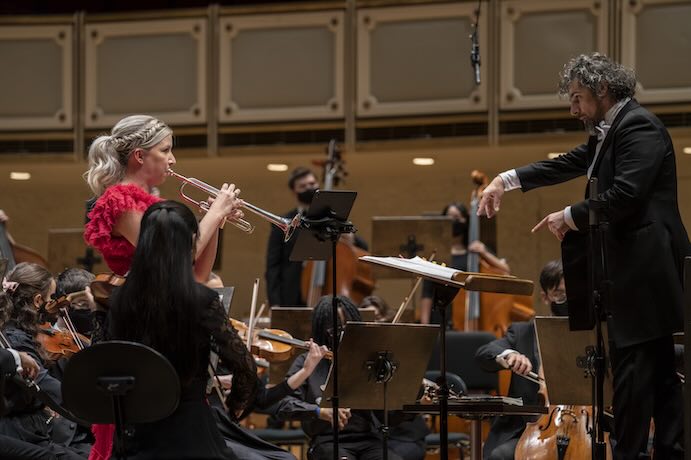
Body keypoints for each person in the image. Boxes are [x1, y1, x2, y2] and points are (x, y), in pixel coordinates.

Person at [477, 52, 688, 459]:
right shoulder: (610, 131)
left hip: (646, 279)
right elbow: (570, 163)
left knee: (635, 388)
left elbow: (628, 195)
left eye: (577, 98)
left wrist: (571, 216)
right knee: (661, 383)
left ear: (602, 90)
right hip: (637, 280)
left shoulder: (639, 125)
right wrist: (505, 180)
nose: (574, 109)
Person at [91, 200, 258, 459]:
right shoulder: (202, 300)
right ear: (191, 242)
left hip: (136, 438)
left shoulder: (119, 300)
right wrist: (232, 413)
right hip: (191, 435)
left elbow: (99, 360)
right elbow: (245, 369)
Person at [83, 114, 242, 283]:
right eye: (165, 150)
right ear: (140, 156)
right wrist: (216, 213)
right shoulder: (119, 202)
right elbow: (173, 258)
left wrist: (216, 219)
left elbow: (199, 275)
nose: (172, 160)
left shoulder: (153, 204)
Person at [274, 295, 403, 460]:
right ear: (323, 330)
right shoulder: (307, 362)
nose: (341, 335)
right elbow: (284, 405)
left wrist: (415, 402)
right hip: (327, 441)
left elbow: (388, 417)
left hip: (369, 440)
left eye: (346, 328)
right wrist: (320, 412)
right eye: (334, 330)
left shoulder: (367, 361)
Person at [474, 260, 565, 460]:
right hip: (529, 428)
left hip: (582, 426)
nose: (566, 301)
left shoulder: (591, 335)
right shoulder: (523, 333)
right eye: (559, 294)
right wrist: (509, 355)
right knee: (501, 456)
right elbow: (485, 353)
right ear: (545, 297)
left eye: (570, 295)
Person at [1, 262, 87, 459]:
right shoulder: (16, 340)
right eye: (51, 298)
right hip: (23, 434)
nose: (55, 306)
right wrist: (93, 407)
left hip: (34, 429)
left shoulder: (21, 332)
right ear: (38, 301)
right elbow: (45, 386)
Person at [419, 202, 510, 326]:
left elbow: (505, 271)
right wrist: (425, 325)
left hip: (469, 316)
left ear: (465, 221)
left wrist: (484, 253)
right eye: (448, 217)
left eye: (457, 218)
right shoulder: (436, 254)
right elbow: (427, 292)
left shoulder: (474, 252)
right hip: (439, 317)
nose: (453, 221)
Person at [265, 166, 319, 307]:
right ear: (294, 192)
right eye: (303, 186)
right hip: (291, 295)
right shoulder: (282, 222)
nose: (309, 188)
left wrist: (349, 238)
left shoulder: (332, 218)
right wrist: (275, 302)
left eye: (312, 184)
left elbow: (361, 247)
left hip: (325, 291)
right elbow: (273, 265)